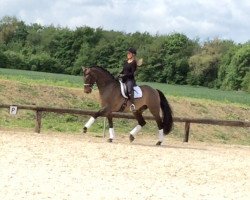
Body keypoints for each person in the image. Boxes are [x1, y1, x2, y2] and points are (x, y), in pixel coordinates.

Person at [119, 47, 138, 112]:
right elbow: (123, 70)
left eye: (129, 53)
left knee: (129, 90)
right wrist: (119, 74)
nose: (127, 54)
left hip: (130, 80)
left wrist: (125, 75)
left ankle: (133, 105)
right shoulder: (126, 62)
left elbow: (132, 73)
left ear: (133, 54)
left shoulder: (134, 63)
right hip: (123, 79)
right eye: (127, 53)